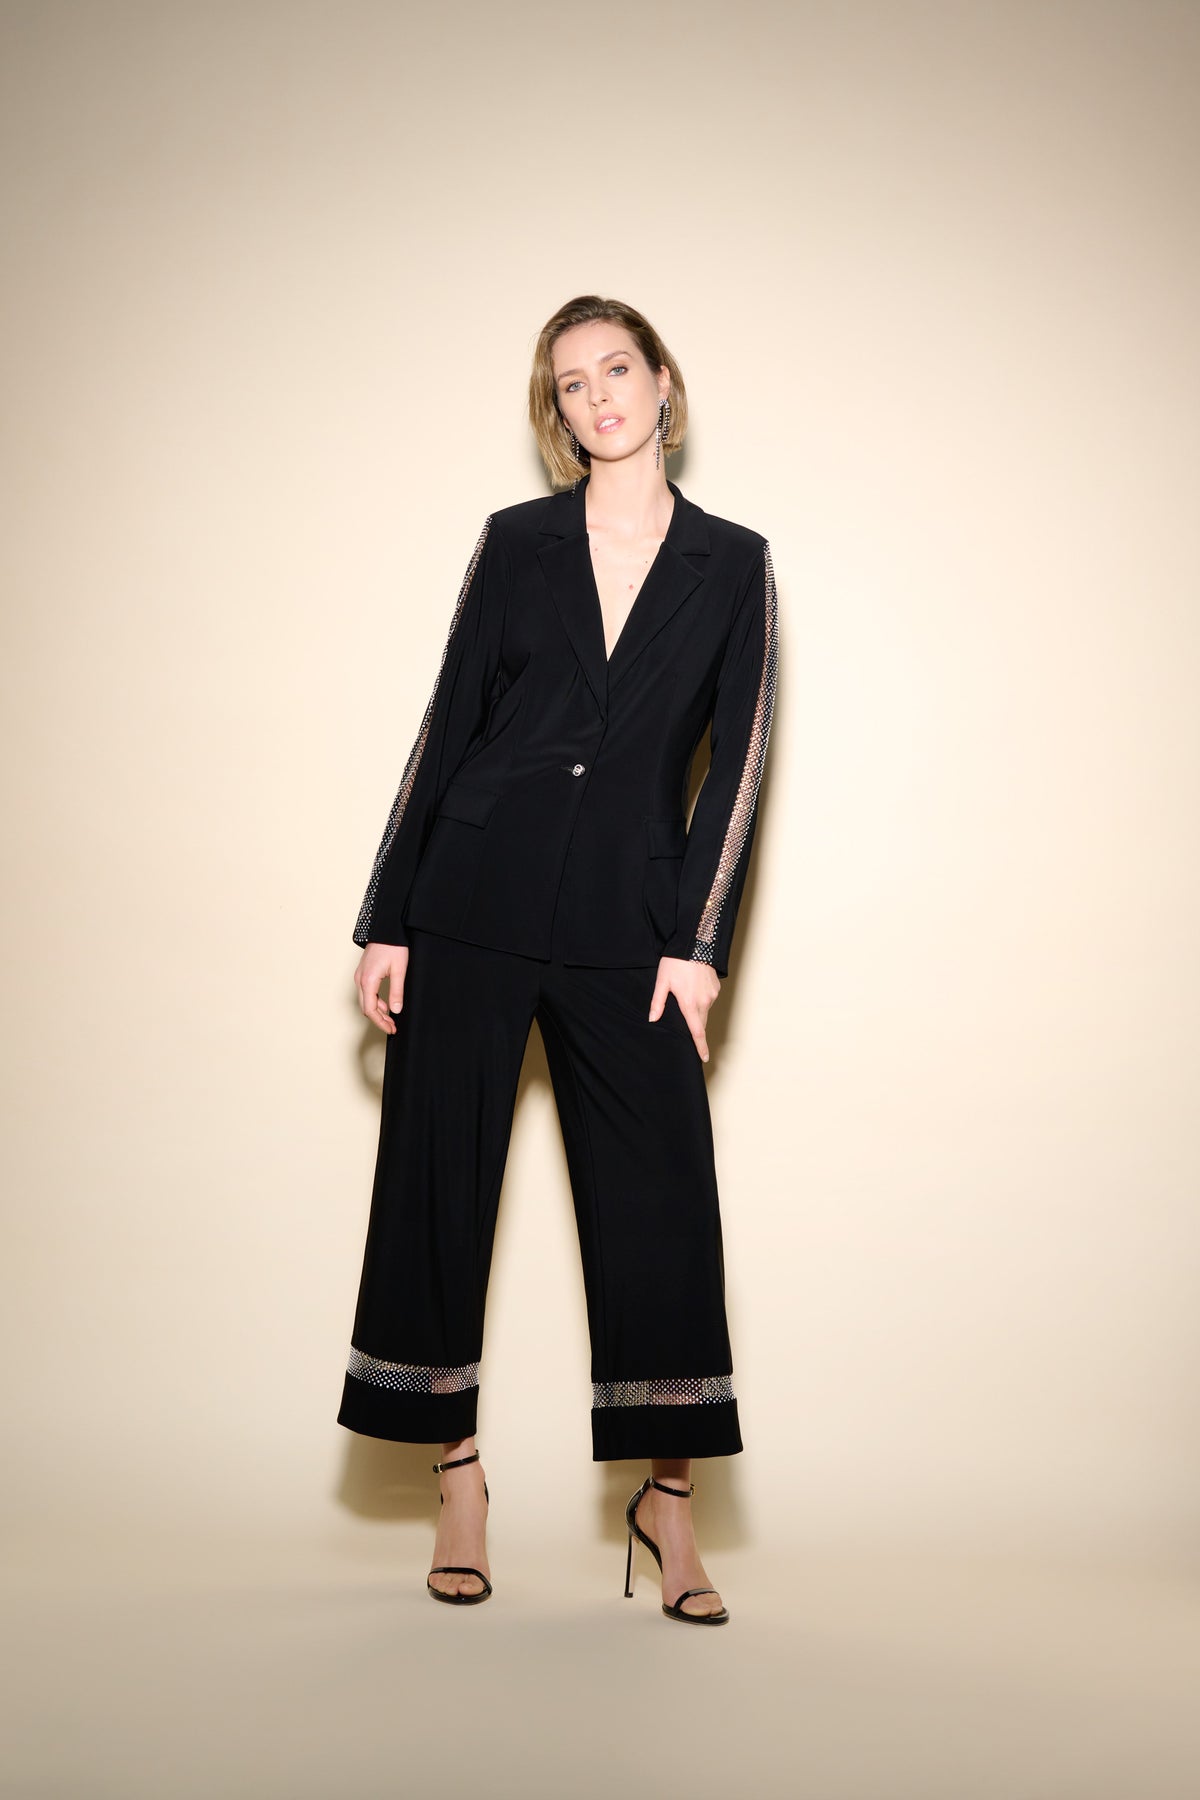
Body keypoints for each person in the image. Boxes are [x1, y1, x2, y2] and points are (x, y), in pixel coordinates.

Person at [337, 294, 778, 1625]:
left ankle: (668, 1504)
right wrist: (388, 913)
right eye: (573, 382)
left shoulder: (734, 563)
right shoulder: (515, 543)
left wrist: (699, 943)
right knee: (436, 1190)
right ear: (558, 411)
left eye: (618, 368)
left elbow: (741, 764)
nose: (601, 397)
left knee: (660, 1209)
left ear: (662, 382)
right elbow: (449, 720)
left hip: (628, 926)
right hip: (470, 895)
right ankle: (457, 1480)